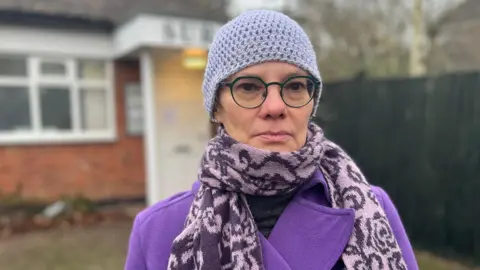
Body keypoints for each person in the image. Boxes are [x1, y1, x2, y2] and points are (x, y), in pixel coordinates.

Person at [124, 9, 418, 270]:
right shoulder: (157, 231)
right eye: (249, 86)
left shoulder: (371, 210)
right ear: (216, 107)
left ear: (311, 101)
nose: (276, 107)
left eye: (294, 86)